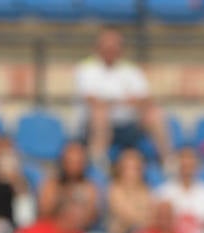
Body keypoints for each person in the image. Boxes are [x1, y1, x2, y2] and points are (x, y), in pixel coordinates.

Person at [74, 26, 172, 169]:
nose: (111, 49)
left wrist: (114, 101)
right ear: (98, 47)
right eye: (107, 46)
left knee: (155, 113)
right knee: (100, 113)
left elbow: (145, 99)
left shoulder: (130, 69)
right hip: (94, 127)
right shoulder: (86, 68)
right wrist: (125, 101)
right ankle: (97, 161)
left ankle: (168, 160)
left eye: (115, 46)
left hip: (127, 125)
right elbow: (92, 100)